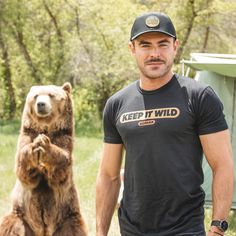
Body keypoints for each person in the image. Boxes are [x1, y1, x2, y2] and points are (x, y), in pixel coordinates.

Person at [96, 12, 234, 236]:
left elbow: (223, 166)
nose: (155, 53)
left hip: (185, 229)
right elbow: (108, 175)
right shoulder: (117, 104)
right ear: (132, 49)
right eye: (145, 45)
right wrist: (100, 232)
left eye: (162, 44)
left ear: (175, 47)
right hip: (132, 230)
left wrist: (218, 228)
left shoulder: (199, 97)